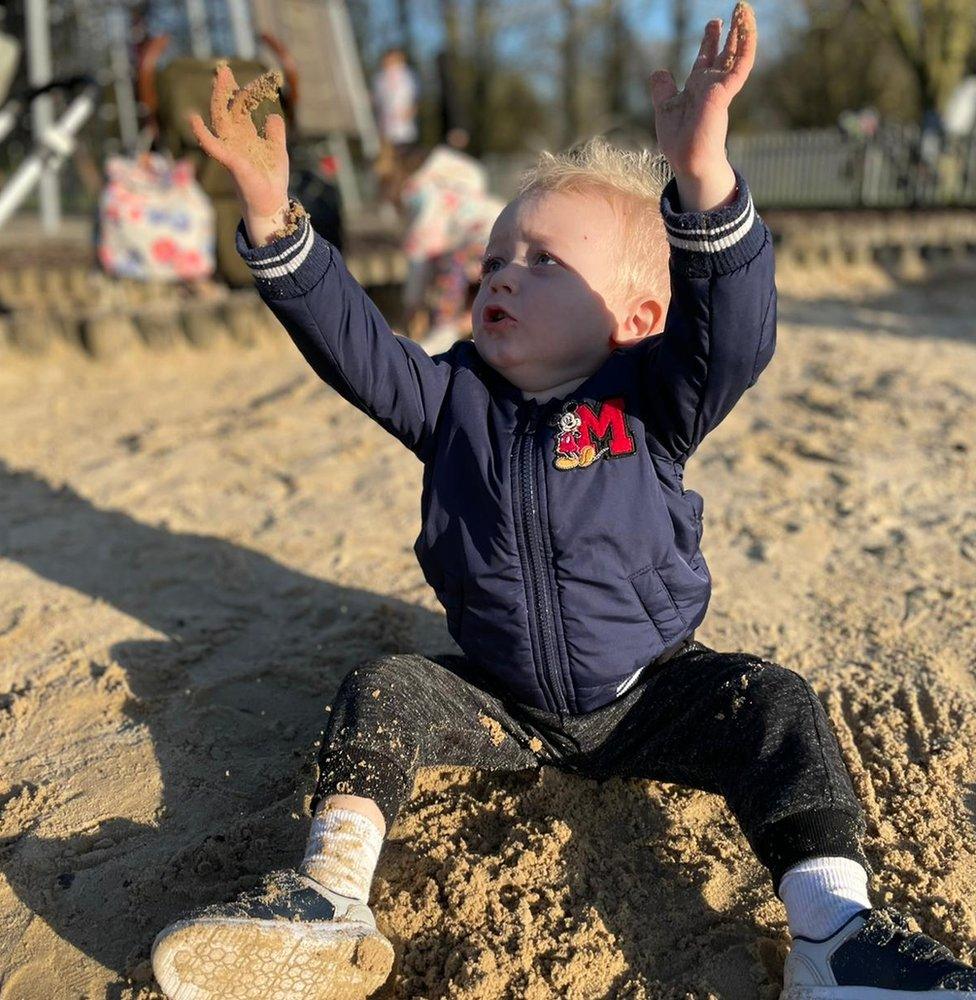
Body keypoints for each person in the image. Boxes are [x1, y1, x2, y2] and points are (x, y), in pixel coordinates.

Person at [157, 5, 976, 998]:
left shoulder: (654, 396)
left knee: (776, 705)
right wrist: (272, 214)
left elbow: (737, 330)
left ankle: (833, 933)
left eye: (545, 260)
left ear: (634, 316)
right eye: (496, 258)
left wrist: (703, 174)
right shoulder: (450, 397)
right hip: (502, 699)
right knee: (382, 688)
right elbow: (357, 349)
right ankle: (329, 897)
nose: (502, 273)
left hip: (649, 694)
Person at [399, 127, 505, 353]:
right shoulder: (467, 182)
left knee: (452, 267)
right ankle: (465, 323)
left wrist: (412, 303)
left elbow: (419, 256)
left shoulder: (427, 199)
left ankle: (441, 334)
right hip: (506, 238)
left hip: (478, 248)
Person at [371, 46, 419, 212]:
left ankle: (401, 200)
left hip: (404, 131)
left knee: (403, 168)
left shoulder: (407, 76)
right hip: (385, 131)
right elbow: (378, 103)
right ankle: (386, 201)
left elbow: (412, 100)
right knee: (386, 168)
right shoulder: (380, 79)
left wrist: (409, 112)